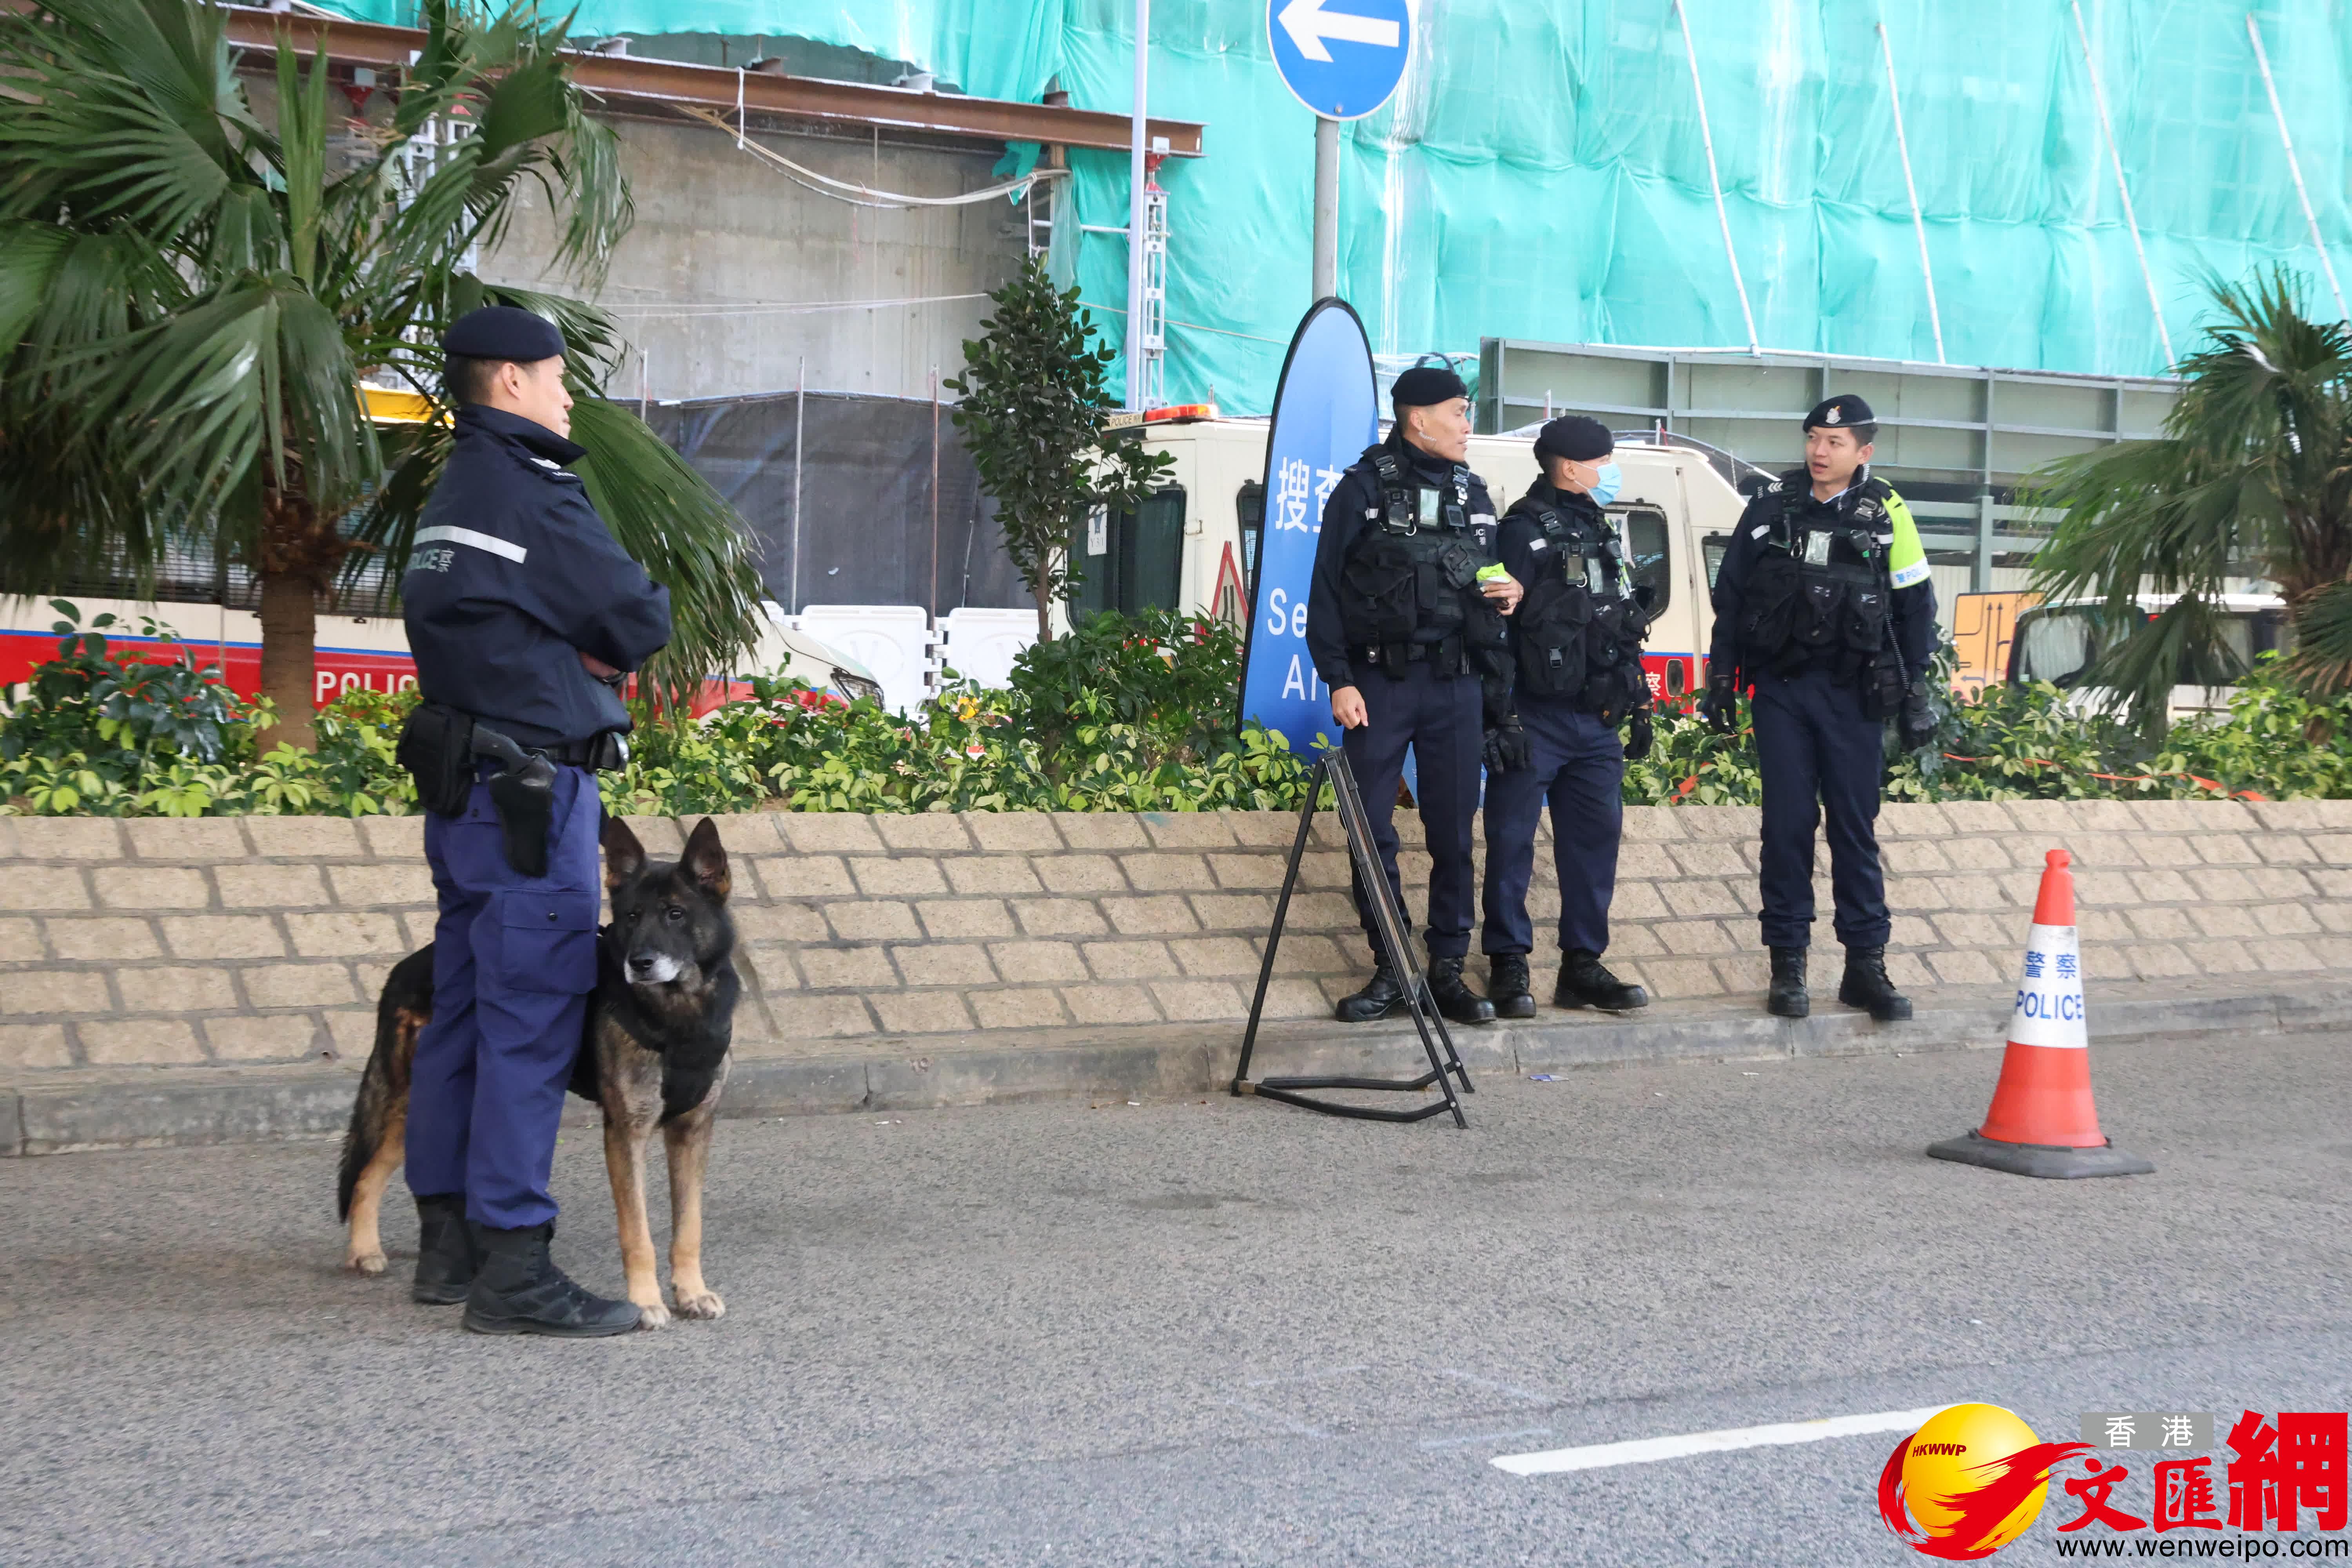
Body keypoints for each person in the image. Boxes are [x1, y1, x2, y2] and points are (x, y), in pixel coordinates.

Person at [397, 305, 674, 1337]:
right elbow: (638, 615)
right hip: (531, 795)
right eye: (558, 378)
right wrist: (592, 651)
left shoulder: (453, 491)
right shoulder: (533, 493)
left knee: (465, 1009)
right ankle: (516, 1268)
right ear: (510, 381)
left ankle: (448, 1243)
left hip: (464, 792)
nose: (566, 396)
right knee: (529, 1018)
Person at [1700, 394, 1937, 1021]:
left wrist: (1915, 692)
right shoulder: (1770, 505)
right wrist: (1720, 680)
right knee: (1786, 829)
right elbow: (1732, 601)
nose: (1820, 451)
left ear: (1864, 451)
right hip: (1782, 692)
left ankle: (1866, 967)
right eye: (1813, 438)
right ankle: (1789, 966)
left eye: (1834, 443)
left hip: (1856, 695)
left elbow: (1916, 609)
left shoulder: (1887, 512)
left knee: (1855, 832)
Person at [1304, 361, 1524, 1026]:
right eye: (1459, 412)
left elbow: (1487, 569)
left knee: (1453, 834)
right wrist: (1338, 678)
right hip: (1379, 684)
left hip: (1456, 685)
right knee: (1369, 832)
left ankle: (1447, 971)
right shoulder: (1362, 490)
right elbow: (1326, 590)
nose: (1467, 425)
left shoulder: (1474, 491)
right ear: (1417, 418)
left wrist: (1509, 590)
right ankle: (1392, 968)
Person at [1479, 416, 1651, 1017]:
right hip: (1537, 716)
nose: (1612, 472)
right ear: (1573, 468)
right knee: (1512, 842)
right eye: (1606, 462)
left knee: (1594, 845)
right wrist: (1500, 715)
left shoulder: (1600, 526)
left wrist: (1640, 699)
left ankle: (1582, 966)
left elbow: (1620, 618)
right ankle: (1508, 964)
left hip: (1597, 718)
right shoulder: (1520, 533)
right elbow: (1494, 630)